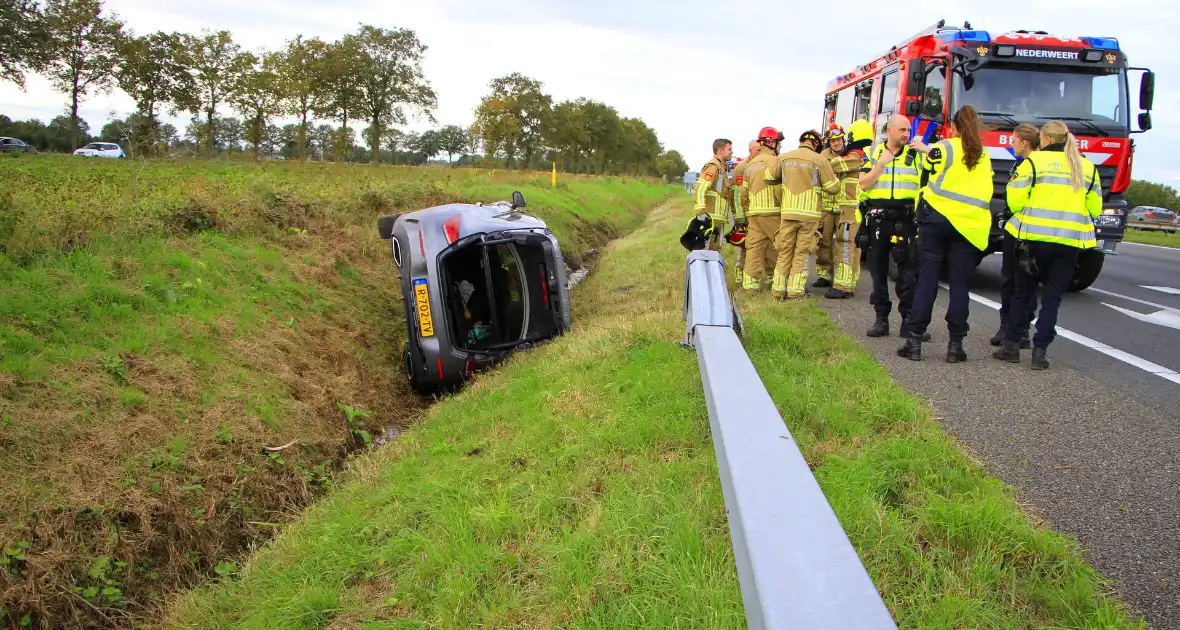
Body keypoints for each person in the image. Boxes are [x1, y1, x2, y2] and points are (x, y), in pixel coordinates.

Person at [994, 120, 1103, 369]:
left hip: (1034, 240)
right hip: (1068, 243)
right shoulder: (1087, 167)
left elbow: (1015, 200)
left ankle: (1011, 346)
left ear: (1047, 139)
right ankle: (1040, 353)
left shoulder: (1034, 162)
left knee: (1023, 291)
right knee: (1052, 298)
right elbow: (1095, 208)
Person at [897, 105, 995, 362]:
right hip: (969, 226)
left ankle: (915, 341)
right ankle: (955, 346)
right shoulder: (983, 155)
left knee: (927, 280)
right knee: (960, 286)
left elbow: (928, 172)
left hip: (936, 220)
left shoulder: (944, 147)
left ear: (953, 127)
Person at [858, 115, 925, 338]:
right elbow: (865, 184)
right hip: (878, 219)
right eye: (902, 130)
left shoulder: (916, 155)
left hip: (905, 219)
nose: (907, 134)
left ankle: (908, 321)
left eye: (908, 130)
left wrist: (926, 151)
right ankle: (881, 319)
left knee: (908, 273)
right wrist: (881, 164)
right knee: (878, 271)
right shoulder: (874, 153)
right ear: (890, 131)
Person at [765, 130, 839, 299]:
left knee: (784, 252)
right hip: (809, 215)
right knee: (801, 253)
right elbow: (833, 188)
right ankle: (795, 293)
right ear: (817, 144)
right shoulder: (820, 160)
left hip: (788, 212)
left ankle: (777, 291)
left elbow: (768, 177)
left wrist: (786, 178)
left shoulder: (784, 157)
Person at [990, 124, 1041, 348]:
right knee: (1010, 280)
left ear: (1024, 142)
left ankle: (1020, 329)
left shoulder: (1034, 165)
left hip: (1029, 231)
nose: (1011, 144)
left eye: (1013, 140)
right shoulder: (1020, 163)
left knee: (1024, 282)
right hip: (1015, 228)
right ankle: (1008, 326)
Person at [825, 119, 874, 299]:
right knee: (853, 247)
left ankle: (842, 286)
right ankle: (849, 283)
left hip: (850, 208)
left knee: (845, 244)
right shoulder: (868, 152)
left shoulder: (857, 155)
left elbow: (834, 166)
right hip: (857, 208)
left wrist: (825, 163)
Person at [739, 128, 784, 291]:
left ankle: (750, 287)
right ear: (772, 143)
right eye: (778, 142)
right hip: (773, 213)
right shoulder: (776, 162)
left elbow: (743, 194)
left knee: (754, 251)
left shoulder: (750, 165)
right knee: (779, 248)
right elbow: (780, 190)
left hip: (754, 214)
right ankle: (777, 283)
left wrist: (748, 210)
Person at [814, 124, 846, 289]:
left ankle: (841, 277)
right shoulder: (821, 157)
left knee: (843, 242)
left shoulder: (851, 155)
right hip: (826, 207)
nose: (836, 143)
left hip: (844, 206)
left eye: (838, 139)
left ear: (843, 139)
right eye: (833, 141)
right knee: (824, 241)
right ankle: (823, 275)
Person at [692, 139, 734, 250]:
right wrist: (701, 212)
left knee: (714, 252)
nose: (732, 152)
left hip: (717, 220)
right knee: (705, 253)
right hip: (710, 219)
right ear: (720, 150)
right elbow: (700, 188)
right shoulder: (713, 166)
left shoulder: (722, 168)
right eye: (729, 149)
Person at [730, 140, 760, 282]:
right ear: (750, 151)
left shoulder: (762, 164)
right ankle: (739, 274)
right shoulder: (742, 168)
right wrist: (740, 218)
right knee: (744, 246)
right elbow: (736, 195)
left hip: (758, 213)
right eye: (757, 150)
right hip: (746, 215)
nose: (760, 152)